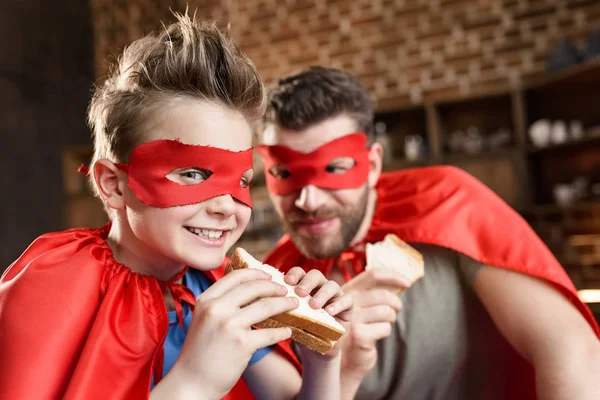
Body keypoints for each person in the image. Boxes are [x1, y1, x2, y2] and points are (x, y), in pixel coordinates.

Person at [0, 17, 353, 400]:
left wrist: (324, 361)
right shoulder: (52, 282)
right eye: (193, 173)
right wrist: (193, 384)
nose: (225, 206)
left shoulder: (216, 284)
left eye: (241, 180)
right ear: (113, 184)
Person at [256, 66, 600, 400]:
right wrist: (339, 366)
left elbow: (570, 349)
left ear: (372, 165)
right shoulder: (276, 281)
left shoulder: (445, 203)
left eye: (334, 169)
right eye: (284, 173)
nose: (308, 201)